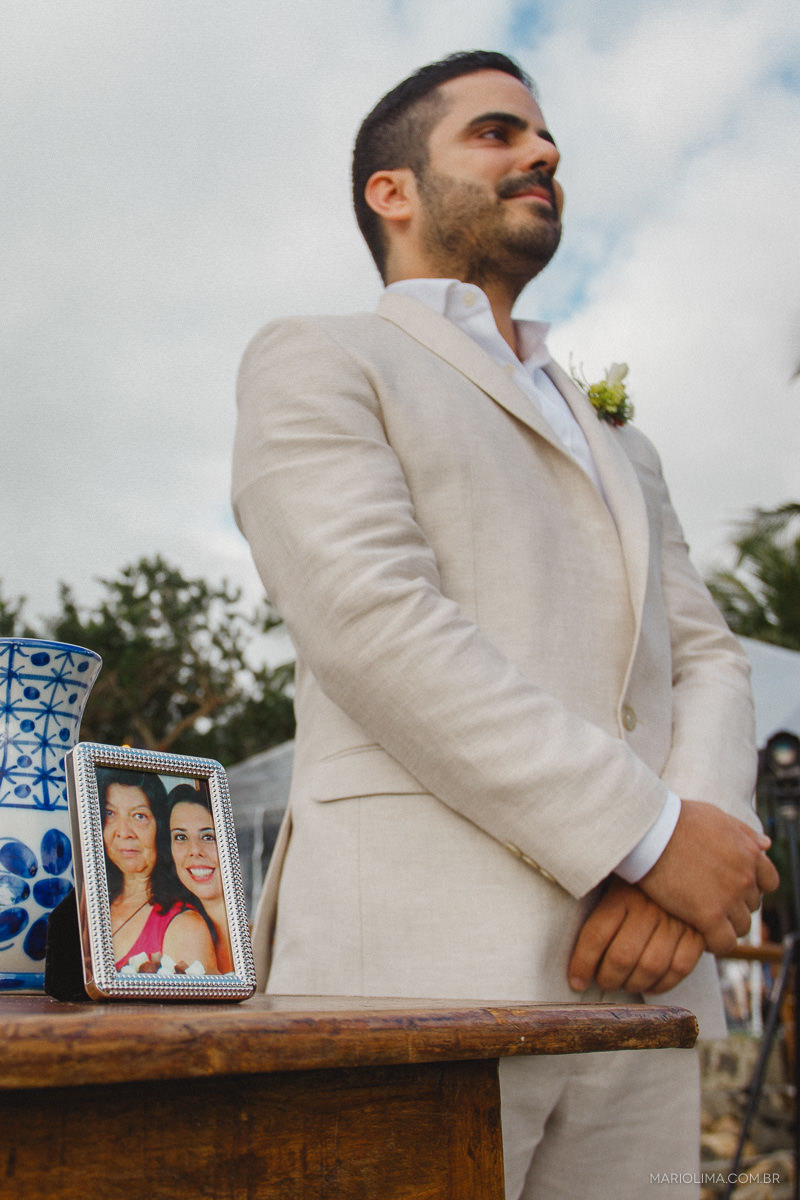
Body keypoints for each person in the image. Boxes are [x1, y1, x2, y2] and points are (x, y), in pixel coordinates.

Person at [231, 51, 778, 1199]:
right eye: (496, 134)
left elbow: (706, 655)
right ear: (392, 191)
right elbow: (372, 623)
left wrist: (694, 850)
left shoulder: (621, 436)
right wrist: (643, 833)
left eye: (547, 145)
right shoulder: (323, 356)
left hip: (647, 985)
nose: (541, 156)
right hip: (413, 966)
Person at [97, 767, 217, 973]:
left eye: (139, 816)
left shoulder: (185, 926)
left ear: (160, 828)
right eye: (110, 813)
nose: (124, 832)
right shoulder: (90, 904)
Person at [166, 784, 234, 973]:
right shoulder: (182, 934)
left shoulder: (261, 932)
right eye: (180, 837)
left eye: (208, 836)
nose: (195, 850)